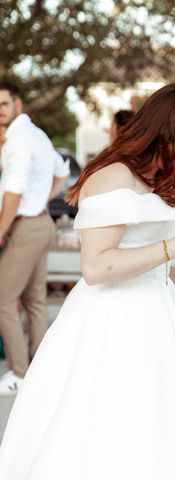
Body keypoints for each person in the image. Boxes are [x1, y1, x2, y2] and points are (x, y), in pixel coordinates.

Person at [0, 83, 175, 479]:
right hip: (114, 320)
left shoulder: (156, 175)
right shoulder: (114, 177)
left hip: (157, 313)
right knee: (114, 419)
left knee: (163, 421)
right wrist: (173, 249)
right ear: (170, 133)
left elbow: (138, 247)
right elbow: (96, 267)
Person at [0, 81, 70, 394]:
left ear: (18, 104)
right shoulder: (37, 135)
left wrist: (0, 231)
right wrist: (43, 199)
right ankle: (39, 372)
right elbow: (62, 172)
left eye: (4, 104)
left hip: (26, 227)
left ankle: (18, 373)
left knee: (2, 300)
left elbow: (13, 192)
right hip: (42, 223)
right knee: (35, 300)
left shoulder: (18, 141)